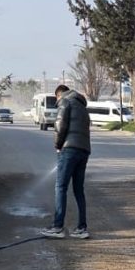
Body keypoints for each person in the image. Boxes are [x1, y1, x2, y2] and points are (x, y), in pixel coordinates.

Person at [41, 85, 91, 239]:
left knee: (60, 186)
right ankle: (82, 228)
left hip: (69, 149)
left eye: (56, 98)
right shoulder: (82, 106)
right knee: (78, 190)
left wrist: (58, 145)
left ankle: (58, 227)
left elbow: (60, 124)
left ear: (58, 95)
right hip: (84, 150)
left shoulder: (65, 101)